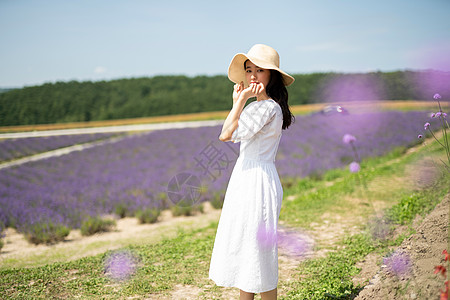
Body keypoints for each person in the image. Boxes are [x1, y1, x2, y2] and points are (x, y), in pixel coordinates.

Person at [208, 44, 295, 300]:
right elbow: (229, 130)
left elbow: (226, 134)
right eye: (249, 70)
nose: (253, 75)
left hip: (258, 181)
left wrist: (240, 100)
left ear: (272, 76)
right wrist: (239, 102)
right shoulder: (256, 107)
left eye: (260, 70)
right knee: (248, 250)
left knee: (259, 254)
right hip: (246, 178)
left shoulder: (268, 108)